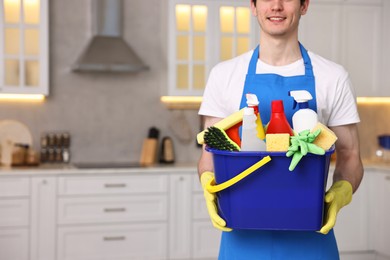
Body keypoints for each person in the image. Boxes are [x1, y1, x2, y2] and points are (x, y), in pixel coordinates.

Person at [197, 0, 364, 259]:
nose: (276, 5)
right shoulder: (224, 75)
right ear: (253, 6)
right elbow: (210, 154)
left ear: (304, 5)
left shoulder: (333, 76)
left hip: (311, 240)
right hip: (243, 241)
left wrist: (342, 191)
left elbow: (350, 154)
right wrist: (208, 181)